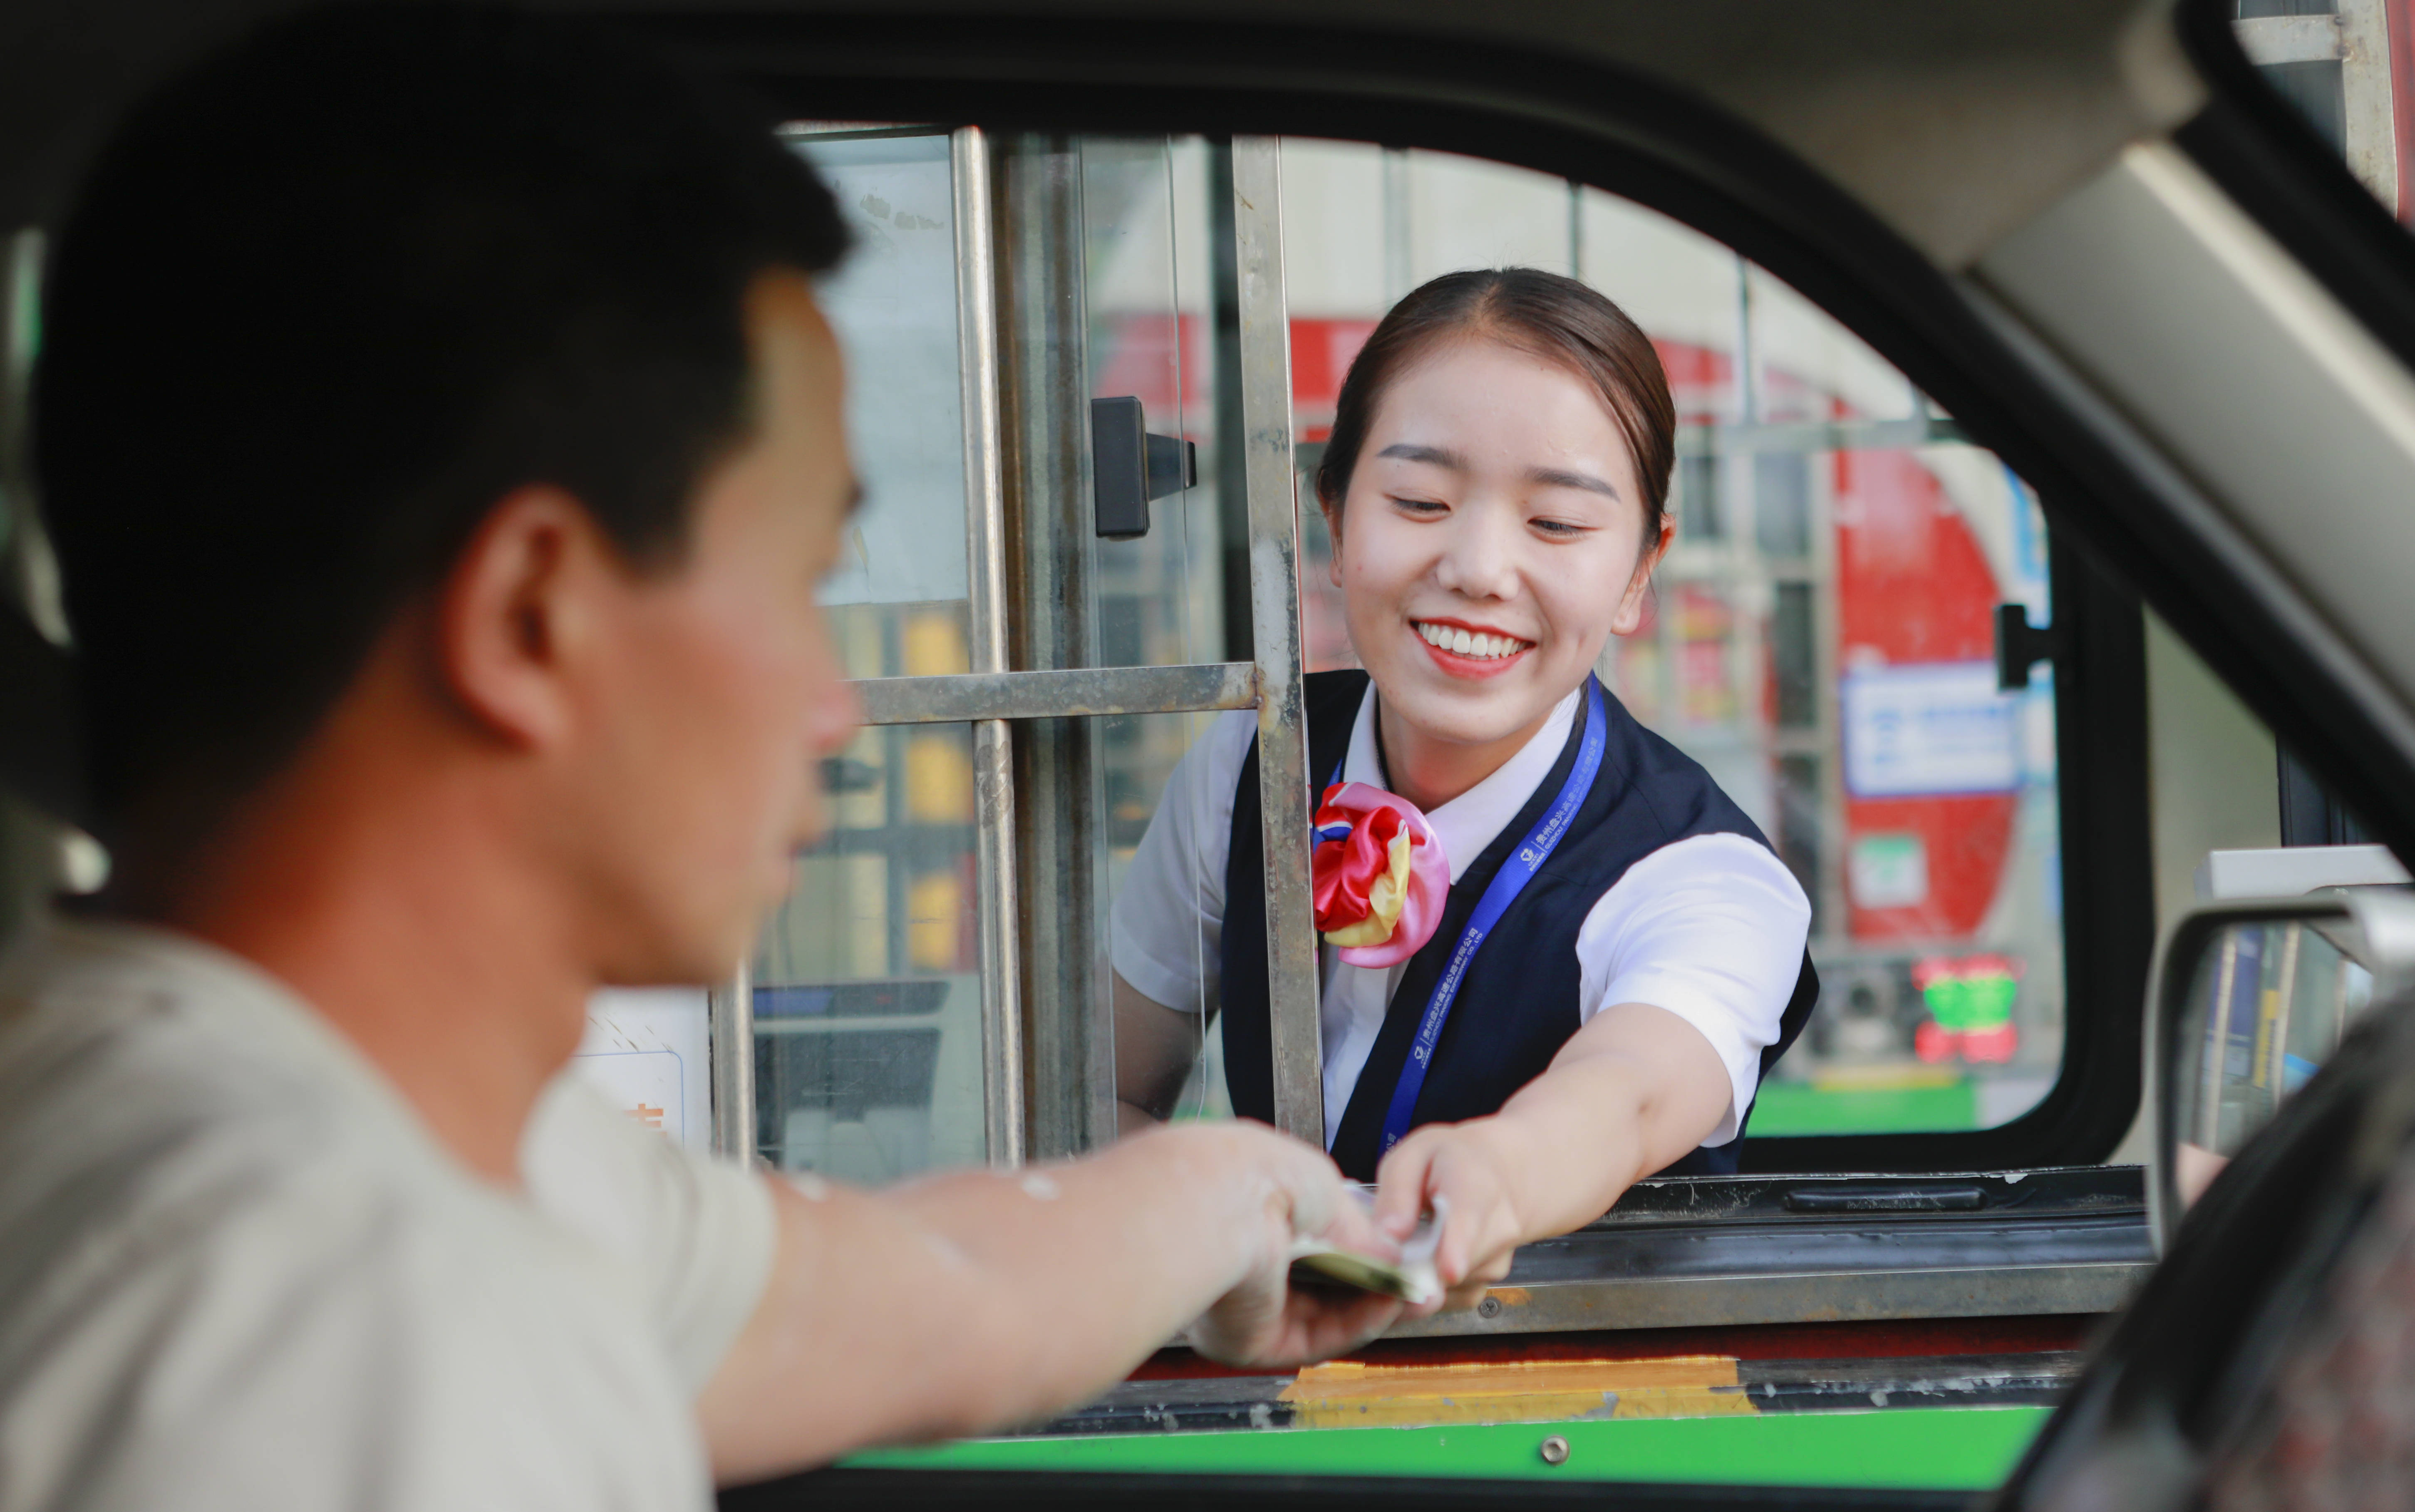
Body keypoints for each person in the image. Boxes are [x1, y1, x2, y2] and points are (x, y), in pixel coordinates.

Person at [0, 9, 1409, 1507]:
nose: (833, 706)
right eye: (800, 578)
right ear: (531, 616)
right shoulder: (352, 1322)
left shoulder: (327, 1124)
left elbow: (917, 1292)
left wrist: (1239, 1196)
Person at [1112, 269, 1820, 1308]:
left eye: (1559, 524)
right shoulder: (1242, 771)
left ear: (1638, 572)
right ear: (1334, 517)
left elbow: (1625, 1096)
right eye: (1420, 502)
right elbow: (1111, 1089)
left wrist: (1499, 1172)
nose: (1481, 568)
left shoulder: (1707, 877)